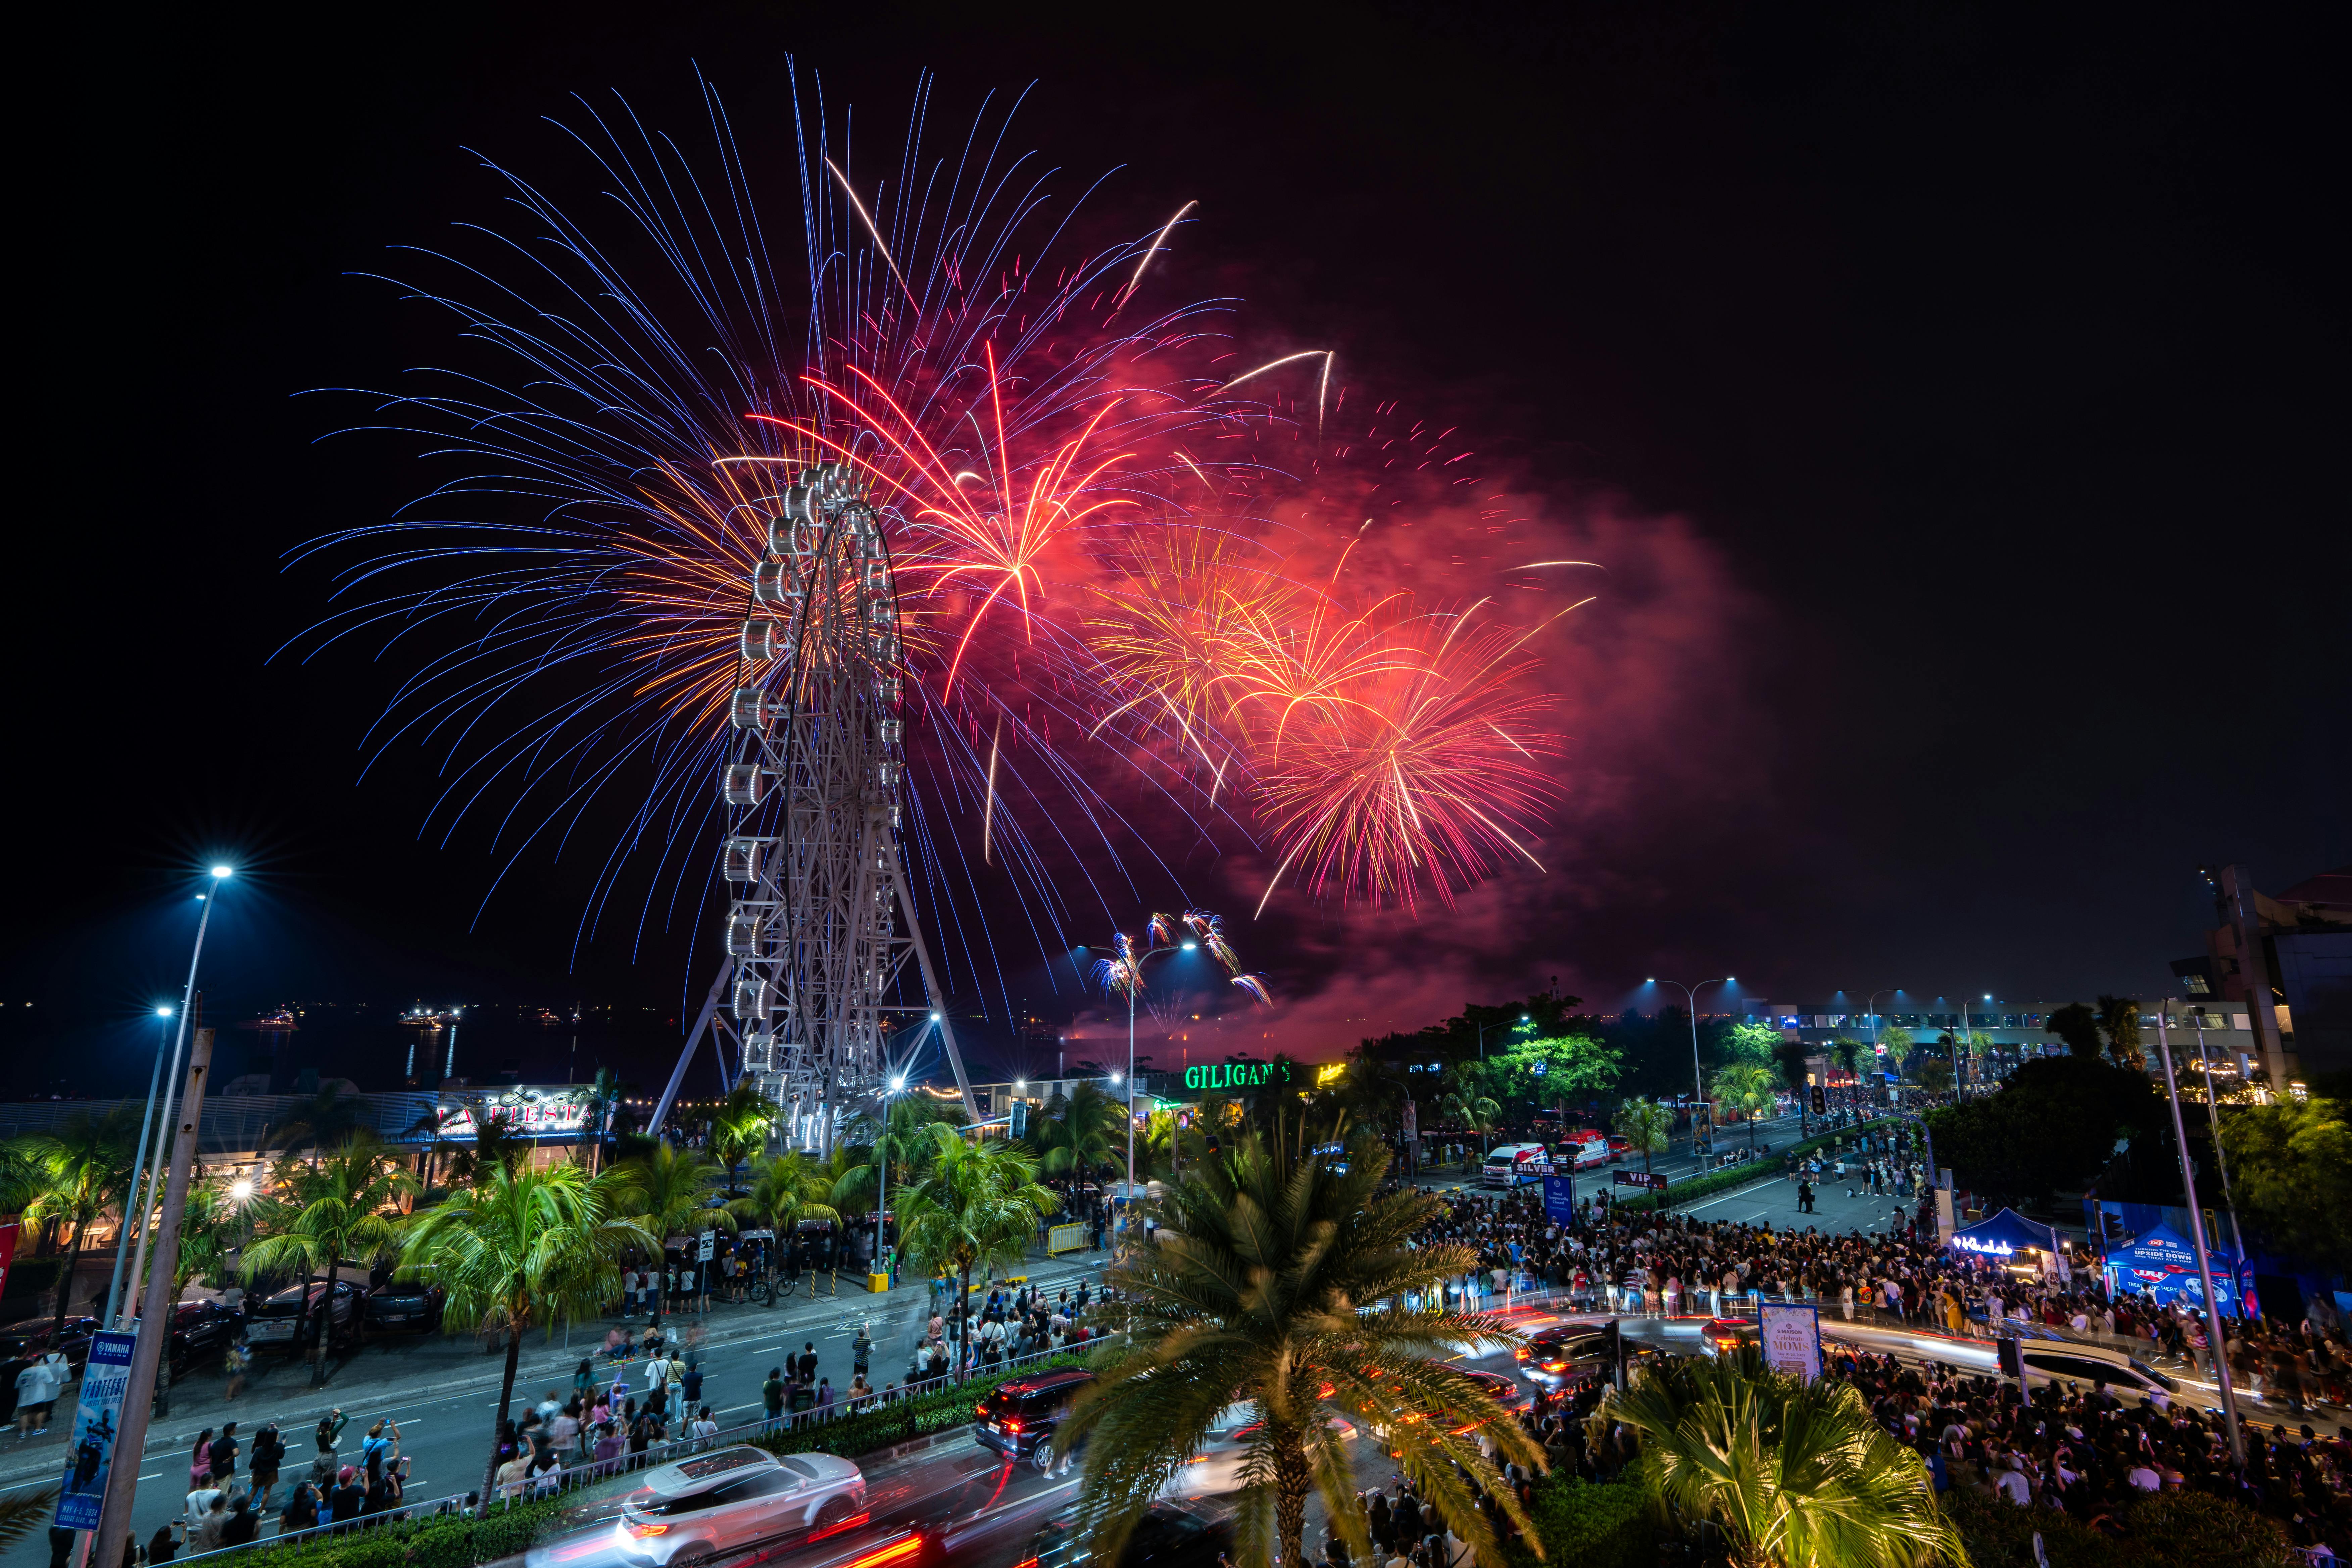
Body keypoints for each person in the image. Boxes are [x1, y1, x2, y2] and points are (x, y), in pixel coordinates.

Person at [15, 1350, 66, 1438]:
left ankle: (23, 1432)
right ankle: (37, 1429)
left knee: (23, 1414)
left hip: (24, 1397)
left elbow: (17, 1384)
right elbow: (49, 1381)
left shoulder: (24, 1371)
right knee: (40, 1411)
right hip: (38, 1396)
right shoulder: (43, 1369)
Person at [249, 1422, 285, 1514]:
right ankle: (258, 1509)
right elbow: (278, 1444)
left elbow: (252, 1464)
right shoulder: (271, 1447)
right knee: (266, 1491)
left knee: (253, 1491)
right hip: (267, 1472)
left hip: (257, 1471)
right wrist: (276, 1430)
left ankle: (247, 1508)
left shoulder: (257, 1445)